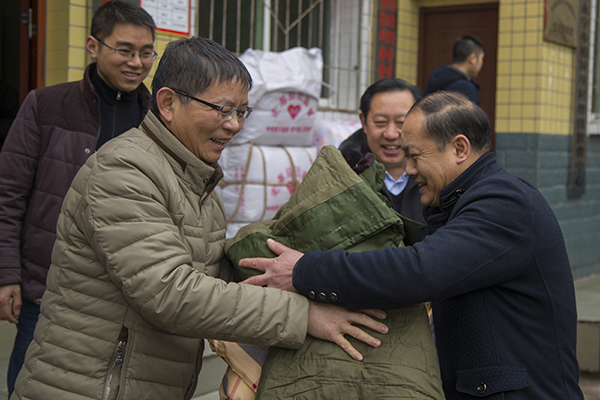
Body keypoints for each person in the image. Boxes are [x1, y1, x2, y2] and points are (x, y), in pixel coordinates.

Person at [10, 36, 387, 400]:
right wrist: (302, 315)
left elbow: (212, 274)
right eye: (222, 109)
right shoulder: (124, 170)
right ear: (168, 103)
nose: (234, 125)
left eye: (242, 112)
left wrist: (303, 272)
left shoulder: (196, 180)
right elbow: (170, 292)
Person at [241, 92, 584, 399]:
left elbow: (419, 270)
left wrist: (303, 270)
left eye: (415, 156)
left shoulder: (505, 202)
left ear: (460, 149)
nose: (408, 169)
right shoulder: (463, 203)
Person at [0, 1, 156, 396]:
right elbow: (8, 195)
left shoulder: (157, 119)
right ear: (92, 46)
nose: (136, 63)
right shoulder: (46, 106)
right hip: (47, 284)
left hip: (127, 287)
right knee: (32, 383)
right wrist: (7, 274)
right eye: (124, 50)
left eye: (146, 53)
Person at [338, 78, 425, 223]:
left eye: (401, 123)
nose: (391, 134)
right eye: (380, 122)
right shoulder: (343, 171)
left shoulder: (438, 173)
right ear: (364, 122)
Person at [424, 35, 484, 105]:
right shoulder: (466, 88)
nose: (481, 63)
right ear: (472, 58)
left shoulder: (437, 76)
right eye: (482, 58)